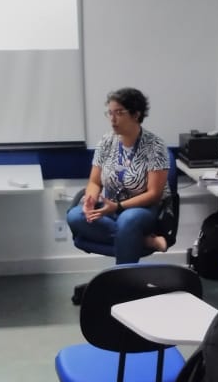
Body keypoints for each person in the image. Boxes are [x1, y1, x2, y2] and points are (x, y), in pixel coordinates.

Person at [66, 87, 171, 264]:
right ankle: (144, 240)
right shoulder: (106, 142)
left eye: (119, 113)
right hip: (109, 206)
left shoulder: (155, 146)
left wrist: (117, 207)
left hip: (143, 209)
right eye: (110, 113)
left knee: (128, 221)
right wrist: (90, 199)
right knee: (75, 216)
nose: (113, 119)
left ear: (136, 115)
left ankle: (122, 283)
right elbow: (94, 181)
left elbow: (154, 194)